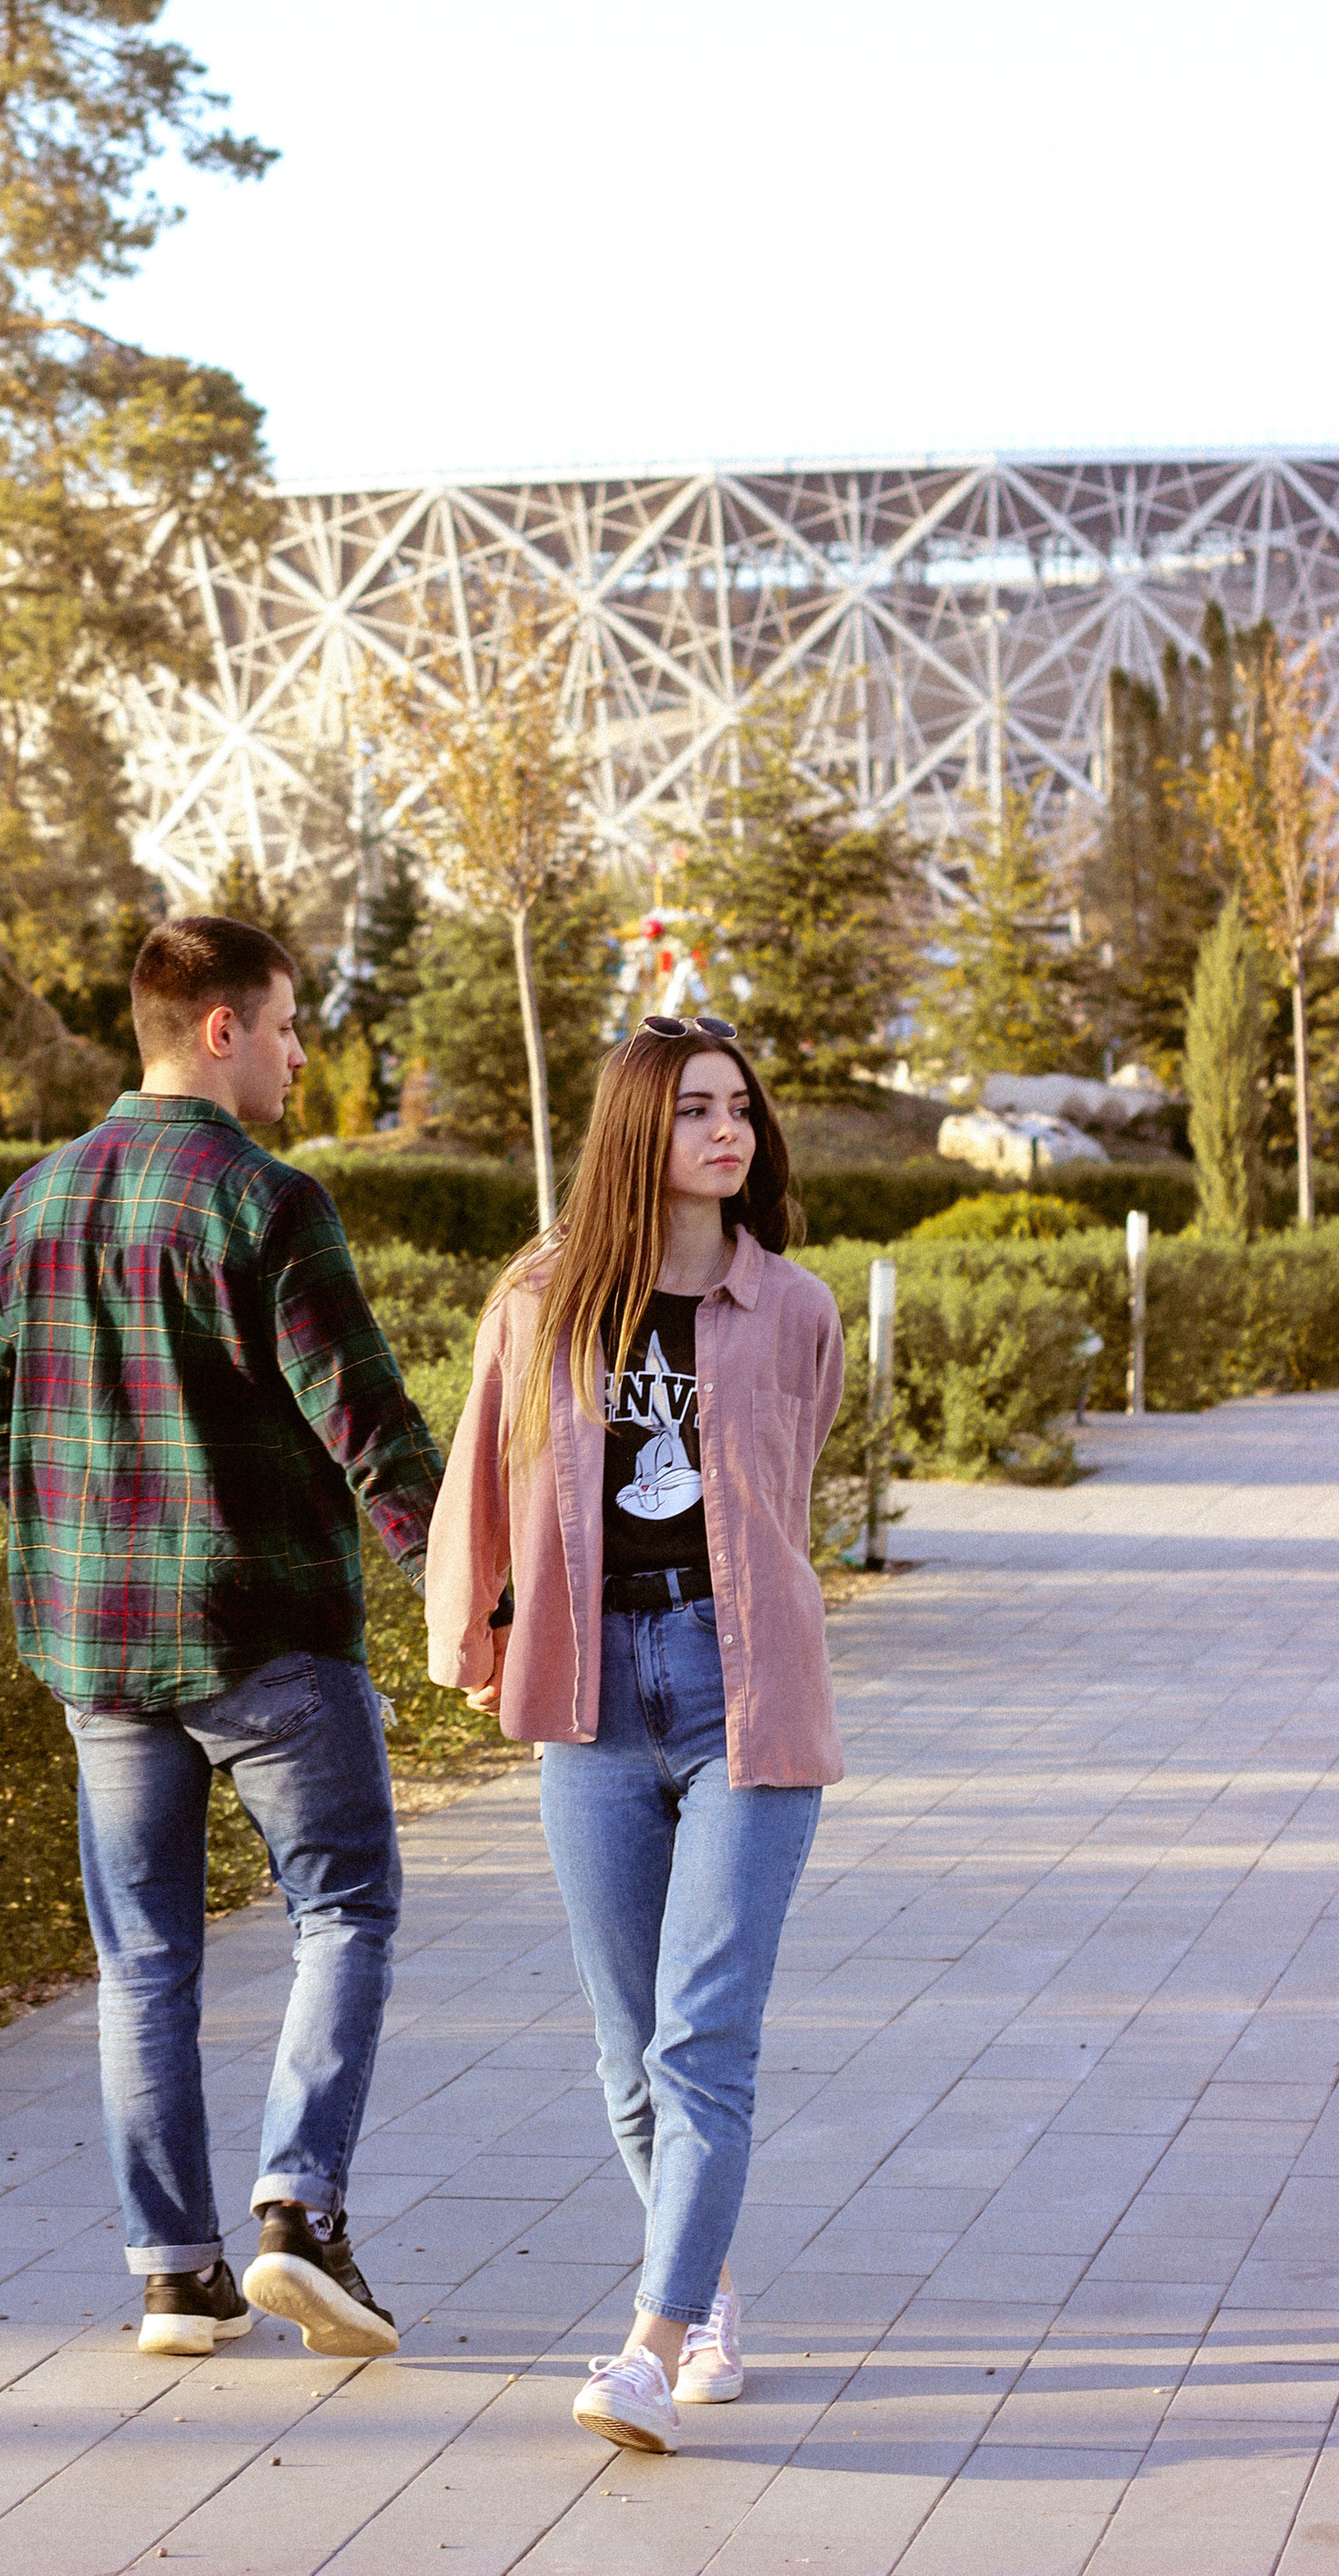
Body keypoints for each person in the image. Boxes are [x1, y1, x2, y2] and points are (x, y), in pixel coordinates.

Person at [0, 914, 442, 2362]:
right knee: (344, 1910)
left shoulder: (30, 1204)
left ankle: (175, 2275)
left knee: (144, 1963)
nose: (305, 1053)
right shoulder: (268, 1204)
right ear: (220, 1029)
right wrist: (470, 1592)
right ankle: (298, 2209)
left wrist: (75, 1537)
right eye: (291, 1025)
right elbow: (367, 1423)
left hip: (96, 1655)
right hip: (268, 1637)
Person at [425, 1014, 844, 2454]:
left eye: (739, 1106)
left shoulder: (793, 1306)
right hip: (595, 1697)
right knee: (626, 2052)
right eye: (692, 1112)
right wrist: (474, 1643)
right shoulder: (542, 1301)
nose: (725, 1132)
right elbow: (480, 1477)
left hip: (748, 1692)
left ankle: (651, 2347)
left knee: (701, 2036)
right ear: (634, 1138)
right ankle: (709, 2285)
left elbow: (791, 1486)